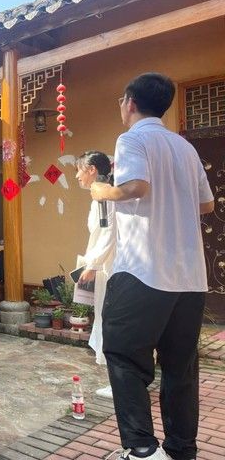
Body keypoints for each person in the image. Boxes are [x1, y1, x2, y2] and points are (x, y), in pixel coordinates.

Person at [91, 73, 214, 460]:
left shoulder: (132, 139)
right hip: (189, 278)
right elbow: (207, 204)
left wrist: (103, 190)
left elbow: (136, 187)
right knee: (181, 369)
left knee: (124, 356)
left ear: (130, 102)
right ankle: (181, 450)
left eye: (121, 101)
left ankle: (142, 449)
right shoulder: (185, 147)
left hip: (143, 272)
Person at [75, 151, 116, 398]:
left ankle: (119, 381)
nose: (77, 176)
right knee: (104, 319)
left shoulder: (104, 196)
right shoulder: (100, 196)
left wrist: (93, 264)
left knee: (109, 320)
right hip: (102, 267)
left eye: (79, 170)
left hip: (109, 269)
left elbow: (109, 233)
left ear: (92, 170)